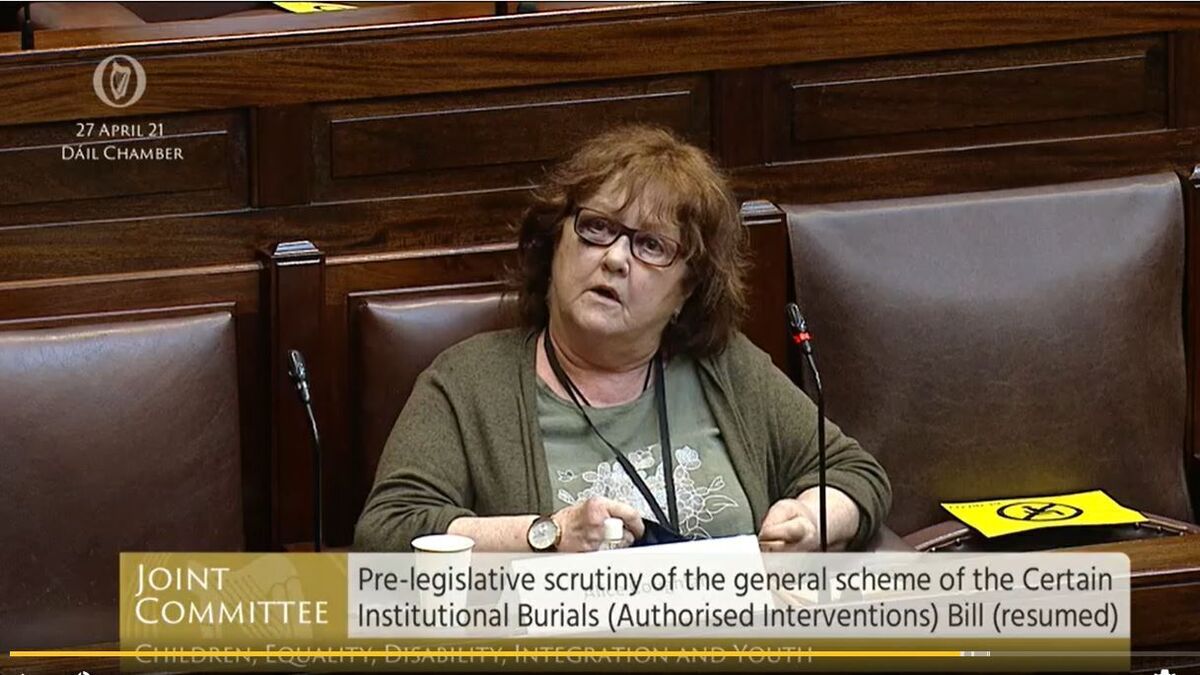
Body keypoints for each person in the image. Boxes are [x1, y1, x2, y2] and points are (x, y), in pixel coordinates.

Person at [354, 125, 891, 553]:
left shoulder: (725, 367)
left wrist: (811, 520)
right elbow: (387, 531)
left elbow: (855, 473)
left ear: (686, 289)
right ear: (556, 242)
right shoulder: (469, 382)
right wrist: (545, 534)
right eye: (597, 228)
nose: (614, 259)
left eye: (651, 245)